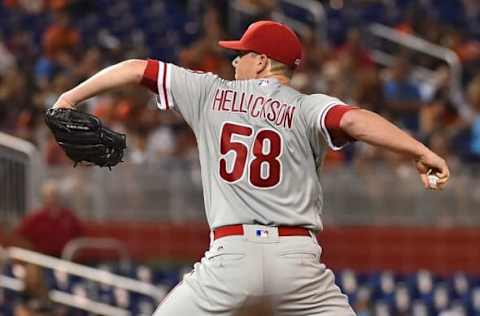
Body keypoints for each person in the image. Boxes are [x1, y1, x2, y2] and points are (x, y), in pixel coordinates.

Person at [50, 20, 449, 315]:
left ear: (261, 61)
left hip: (231, 259)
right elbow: (354, 120)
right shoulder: (308, 106)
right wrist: (420, 151)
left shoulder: (210, 92)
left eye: (240, 55)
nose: (234, 61)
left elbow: (137, 68)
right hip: (298, 265)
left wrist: (68, 97)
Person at [12, 179, 84, 257]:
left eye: (54, 195)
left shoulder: (69, 216)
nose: (52, 199)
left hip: (65, 259)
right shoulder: (35, 218)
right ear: (43, 198)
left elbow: (80, 236)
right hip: (42, 260)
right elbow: (19, 237)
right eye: (48, 196)